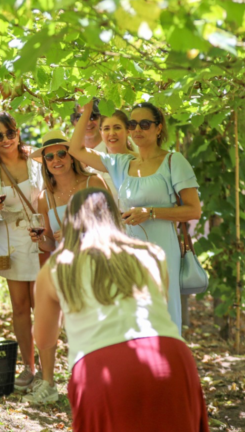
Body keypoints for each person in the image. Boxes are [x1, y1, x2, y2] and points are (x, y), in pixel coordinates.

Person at [33, 188, 210, 431]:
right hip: (170, 355)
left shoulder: (56, 267)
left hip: (103, 365)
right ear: (115, 216)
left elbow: (44, 340)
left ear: (70, 222)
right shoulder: (151, 253)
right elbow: (158, 307)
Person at [68, 100, 202, 333]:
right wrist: (87, 111)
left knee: (161, 315)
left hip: (162, 250)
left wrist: (150, 212)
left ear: (158, 128)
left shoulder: (173, 161)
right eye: (132, 124)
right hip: (128, 251)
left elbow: (193, 210)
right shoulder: (122, 163)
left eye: (145, 124)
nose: (137, 129)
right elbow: (75, 150)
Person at [23, 129, 106, 404]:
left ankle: (94, 383)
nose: (56, 160)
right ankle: (48, 383)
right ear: (45, 163)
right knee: (46, 319)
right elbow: (50, 243)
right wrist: (40, 239)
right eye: (50, 157)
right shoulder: (44, 197)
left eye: (61, 154)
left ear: (71, 157)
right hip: (63, 266)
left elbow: (111, 227)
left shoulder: (93, 182)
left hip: (94, 263)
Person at [0, 112, 43, 391]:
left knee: (42, 306)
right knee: (20, 307)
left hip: (39, 237)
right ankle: (29, 367)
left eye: (10, 133)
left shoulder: (36, 159)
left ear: (18, 132)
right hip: (11, 240)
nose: (6, 140)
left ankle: (47, 367)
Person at [70, 99, 116, 197]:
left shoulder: (117, 144)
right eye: (80, 117)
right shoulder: (66, 155)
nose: (88, 122)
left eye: (93, 116)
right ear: (73, 122)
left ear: (100, 118)